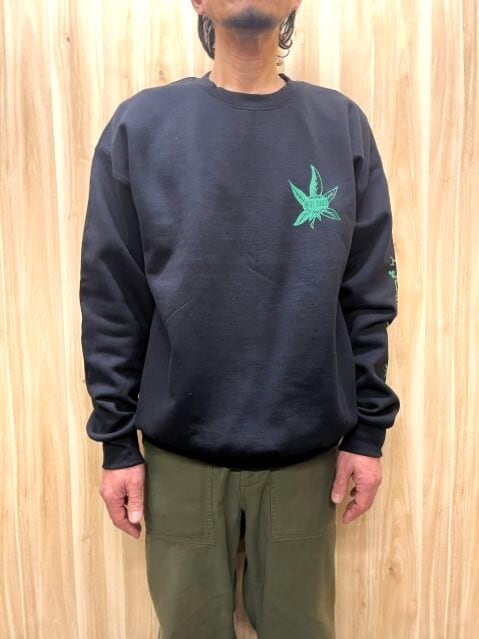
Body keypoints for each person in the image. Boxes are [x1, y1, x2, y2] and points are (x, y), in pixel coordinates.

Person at [79, 1, 400, 637]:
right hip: (178, 456)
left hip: (307, 457)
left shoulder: (340, 126)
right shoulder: (141, 127)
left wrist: (368, 434)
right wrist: (115, 442)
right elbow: (111, 296)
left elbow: (369, 292)